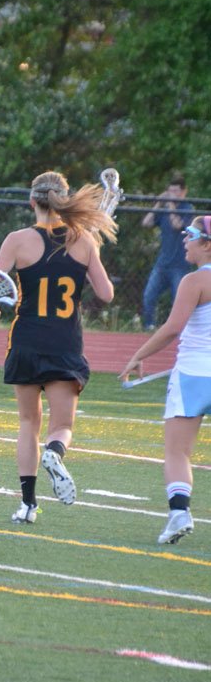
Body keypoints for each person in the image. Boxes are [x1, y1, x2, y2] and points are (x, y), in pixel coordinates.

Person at [0, 170, 117, 521]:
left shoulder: (17, 239)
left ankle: (28, 503)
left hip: (26, 339)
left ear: (32, 201)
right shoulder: (84, 240)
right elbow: (106, 295)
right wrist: (89, 253)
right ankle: (56, 451)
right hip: (65, 342)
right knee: (61, 425)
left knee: (28, 422)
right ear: (64, 200)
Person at [119, 214, 211, 545]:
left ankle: (179, 514)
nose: (184, 239)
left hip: (192, 375)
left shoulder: (194, 282)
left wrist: (138, 356)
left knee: (177, 452)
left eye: (190, 234)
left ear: (206, 244)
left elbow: (172, 328)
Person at [140, 173, 194, 331]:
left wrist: (170, 205)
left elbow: (177, 225)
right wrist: (158, 204)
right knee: (149, 295)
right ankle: (149, 326)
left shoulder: (188, 209)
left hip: (180, 265)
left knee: (178, 300)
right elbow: (146, 222)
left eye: (176, 191)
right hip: (162, 264)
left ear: (184, 192)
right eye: (170, 191)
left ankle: (178, 330)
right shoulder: (164, 209)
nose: (173, 194)